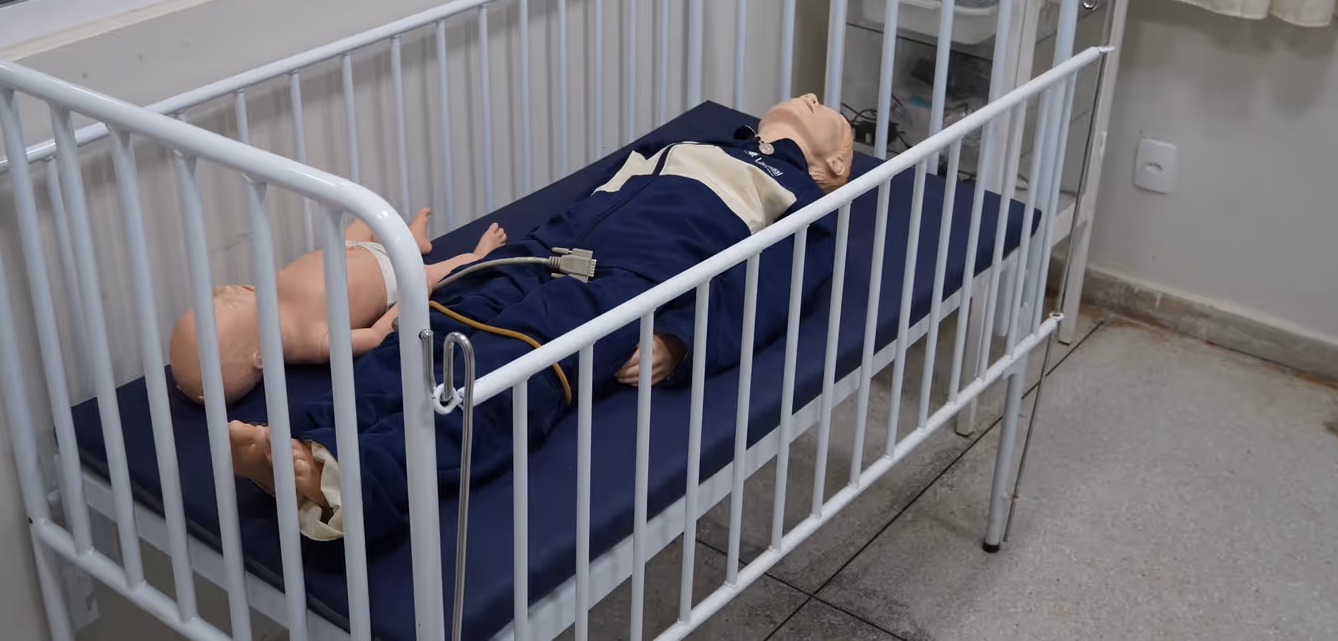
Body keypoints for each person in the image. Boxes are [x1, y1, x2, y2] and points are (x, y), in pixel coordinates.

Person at [228, 94, 855, 541]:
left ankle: (360, 480)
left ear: (837, 167)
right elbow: (596, 193)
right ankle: (306, 438)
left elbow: (775, 284)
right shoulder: (694, 143)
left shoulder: (799, 194)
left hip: (625, 278)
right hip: (544, 249)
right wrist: (516, 249)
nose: (810, 96)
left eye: (826, 110)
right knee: (427, 335)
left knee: (511, 367)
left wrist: (681, 338)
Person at [169, 208, 507, 404]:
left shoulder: (268, 294)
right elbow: (374, 336)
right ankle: (478, 256)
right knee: (439, 273)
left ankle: (412, 240)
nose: (224, 289)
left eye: (216, 294)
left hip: (354, 247)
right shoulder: (311, 341)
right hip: (394, 277)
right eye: (228, 303)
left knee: (369, 214)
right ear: (259, 357)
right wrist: (411, 297)